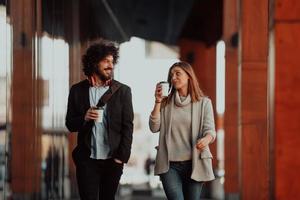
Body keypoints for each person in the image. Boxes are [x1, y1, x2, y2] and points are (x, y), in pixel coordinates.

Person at [65, 40, 134, 200]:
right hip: (87, 160)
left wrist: (121, 158)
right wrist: (84, 117)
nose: (110, 65)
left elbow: (128, 127)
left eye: (112, 61)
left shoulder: (123, 91)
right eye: (106, 61)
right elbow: (70, 124)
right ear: (94, 63)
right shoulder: (77, 90)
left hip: (113, 161)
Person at [149, 61, 216, 200]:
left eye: (178, 74)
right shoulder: (165, 103)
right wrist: (157, 102)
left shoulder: (204, 103)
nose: (173, 78)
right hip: (169, 166)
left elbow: (210, 130)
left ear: (189, 76)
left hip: (195, 163)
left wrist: (206, 139)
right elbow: (154, 127)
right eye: (171, 75)